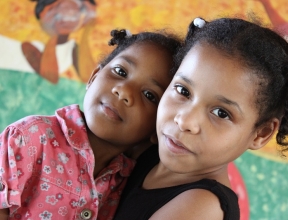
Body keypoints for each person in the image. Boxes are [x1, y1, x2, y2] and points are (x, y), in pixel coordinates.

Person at [114, 17, 288, 220]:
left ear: (261, 133)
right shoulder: (147, 151)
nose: (185, 121)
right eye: (183, 91)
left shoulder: (201, 207)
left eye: (221, 113)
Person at [0, 28, 182, 219]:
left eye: (149, 95)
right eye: (120, 71)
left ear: (157, 127)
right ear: (94, 76)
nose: (124, 92)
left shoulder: (128, 181)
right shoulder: (30, 137)